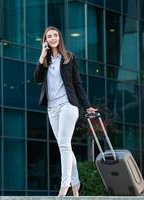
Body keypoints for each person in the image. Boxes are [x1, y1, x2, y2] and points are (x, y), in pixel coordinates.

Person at [34, 26, 98, 196]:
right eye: (49, 36)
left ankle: (65, 186)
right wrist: (41, 56)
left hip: (68, 105)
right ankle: (76, 183)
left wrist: (87, 106)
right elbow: (37, 78)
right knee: (65, 145)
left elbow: (77, 84)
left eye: (55, 35)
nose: (53, 38)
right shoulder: (45, 61)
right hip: (52, 108)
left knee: (63, 145)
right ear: (45, 40)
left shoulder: (69, 58)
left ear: (59, 38)